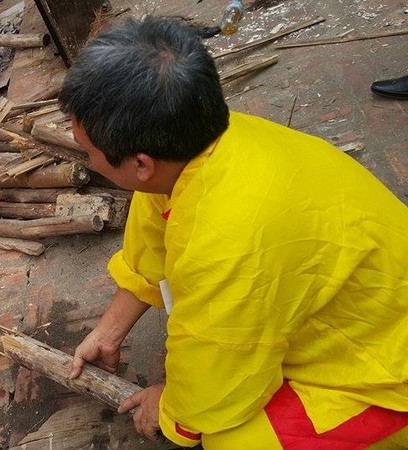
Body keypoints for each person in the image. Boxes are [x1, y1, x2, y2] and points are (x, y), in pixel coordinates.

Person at [60, 16, 408, 449]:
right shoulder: (194, 143)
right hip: (361, 299)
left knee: (230, 438)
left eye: (88, 153)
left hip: (387, 369)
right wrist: (108, 331)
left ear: (141, 164)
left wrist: (169, 408)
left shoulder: (224, 246)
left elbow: (216, 380)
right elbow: (150, 243)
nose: (88, 161)